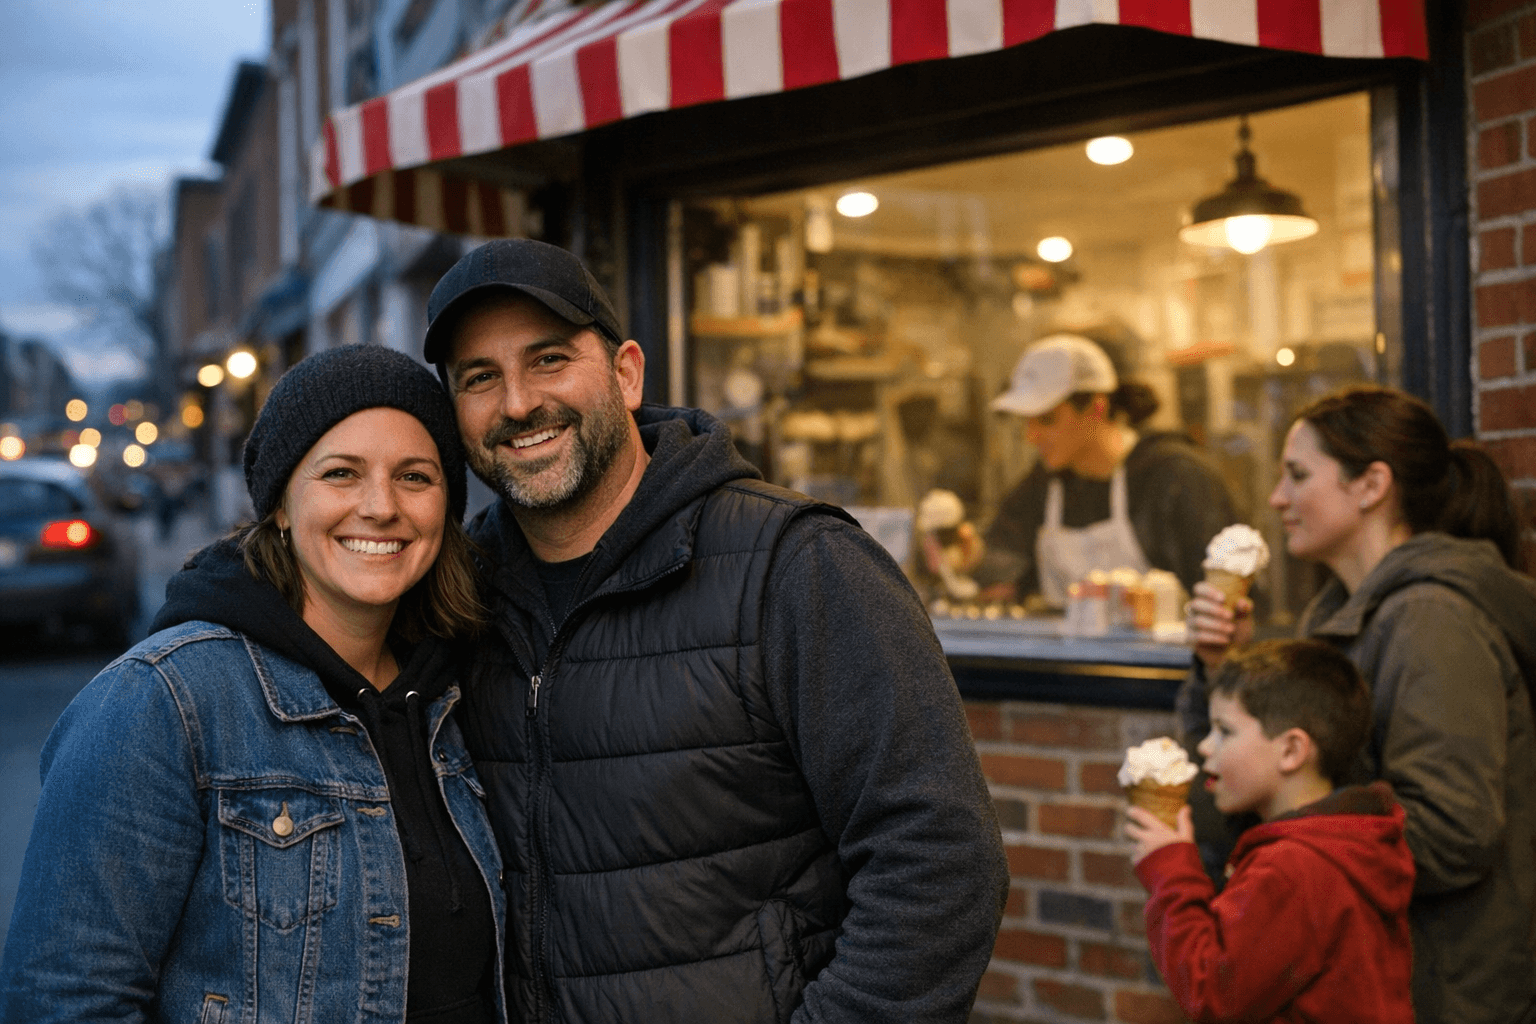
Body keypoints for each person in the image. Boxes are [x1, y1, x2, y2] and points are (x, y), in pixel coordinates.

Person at [422, 238, 1009, 1023]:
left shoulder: (796, 566)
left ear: (626, 373)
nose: (519, 403)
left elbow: (940, 864)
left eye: (550, 359)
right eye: (480, 378)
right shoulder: (456, 597)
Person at [0, 346, 508, 1024]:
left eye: (416, 476)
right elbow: (64, 1000)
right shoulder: (163, 703)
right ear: (280, 507)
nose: (381, 506)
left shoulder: (455, 696)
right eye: (340, 474)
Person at [1181, 385, 1536, 1024]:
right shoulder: (1338, 618)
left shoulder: (1431, 621)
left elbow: (1455, 832)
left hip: (1440, 987)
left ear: (1371, 485)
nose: (1276, 497)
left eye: (1297, 475)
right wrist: (1220, 669)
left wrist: (1298, 864)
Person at [1127, 640, 1415, 1023]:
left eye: (1224, 731)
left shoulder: (1292, 867)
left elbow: (1212, 990)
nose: (1205, 746)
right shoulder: (1352, 838)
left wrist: (1171, 872)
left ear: (1291, 751)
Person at [977, 333, 1236, 605]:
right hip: (1062, 647)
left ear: (1096, 407)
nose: (1031, 436)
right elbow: (1006, 562)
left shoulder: (1175, 478)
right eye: (1026, 422)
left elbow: (1227, 596)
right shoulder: (1043, 485)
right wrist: (971, 558)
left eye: (1046, 419)